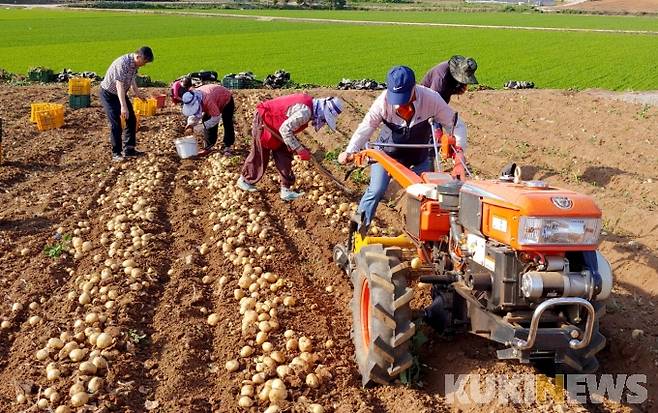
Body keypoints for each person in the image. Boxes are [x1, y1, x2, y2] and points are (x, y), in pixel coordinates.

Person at [337, 65, 467, 226]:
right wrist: (350, 151)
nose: (399, 103)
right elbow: (366, 126)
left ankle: (425, 239)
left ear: (414, 87)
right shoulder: (383, 102)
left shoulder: (431, 99)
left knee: (427, 195)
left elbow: (456, 124)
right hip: (387, 155)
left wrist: (459, 154)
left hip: (418, 157)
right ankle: (358, 229)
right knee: (376, 189)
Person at [236, 93, 343, 201]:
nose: (323, 120)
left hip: (277, 125)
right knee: (261, 154)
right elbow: (285, 130)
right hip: (265, 121)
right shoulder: (305, 112)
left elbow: (285, 129)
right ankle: (244, 180)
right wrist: (300, 149)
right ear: (322, 110)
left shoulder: (310, 105)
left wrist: (296, 146)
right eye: (324, 117)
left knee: (285, 155)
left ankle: (285, 189)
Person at [99, 46, 154, 162]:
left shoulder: (135, 64)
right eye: (144, 62)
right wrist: (123, 107)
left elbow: (132, 79)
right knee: (116, 123)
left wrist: (137, 93)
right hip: (109, 94)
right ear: (138, 56)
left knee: (131, 119)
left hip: (120, 93)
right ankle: (116, 153)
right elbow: (119, 85)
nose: (144, 65)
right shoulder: (122, 63)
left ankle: (129, 149)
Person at [181, 83, 236, 156]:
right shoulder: (192, 97)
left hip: (225, 98)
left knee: (227, 121)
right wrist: (190, 124)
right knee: (206, 120)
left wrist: (201, 127)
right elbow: (194, 113)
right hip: (214, 97)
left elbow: (216, 118)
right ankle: (208, 147)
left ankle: (227, 146)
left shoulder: (208, 100)